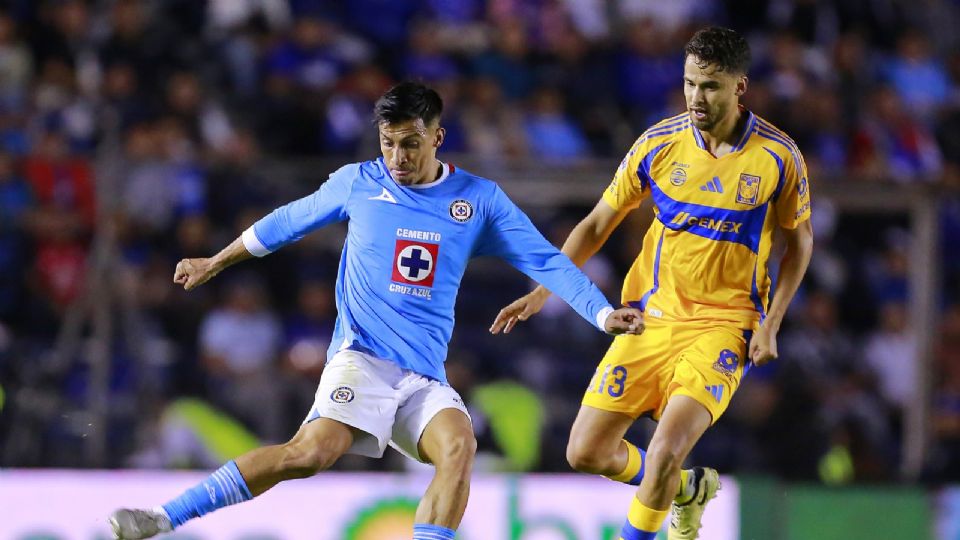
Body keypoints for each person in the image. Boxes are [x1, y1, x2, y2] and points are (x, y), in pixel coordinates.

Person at [108, 82, 643, 539]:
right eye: (388, 144)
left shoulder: (479, 200)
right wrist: (214, 261)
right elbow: (285, 222)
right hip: (361, 358)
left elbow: (546, 260)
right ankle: (163, 516)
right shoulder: (358, 183)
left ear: (437, 137)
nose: (398, 158)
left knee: (459, 446)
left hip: (423, 376)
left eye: (410, 144)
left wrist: (600, 313)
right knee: (309, 454)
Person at [490, 27, 814, 540]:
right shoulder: (659, 143)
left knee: (666, 445)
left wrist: (771, 324)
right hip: (651, 319)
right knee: (585, 452)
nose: (696, 98)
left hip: (724, 327)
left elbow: (799, 245)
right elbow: (598, 223)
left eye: (709, 86)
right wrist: (541, 289)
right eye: (689, 84)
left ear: (739, 87)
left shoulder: (777, 157)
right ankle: (684, 488)